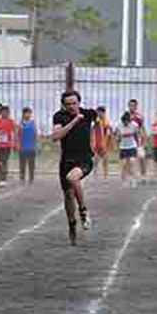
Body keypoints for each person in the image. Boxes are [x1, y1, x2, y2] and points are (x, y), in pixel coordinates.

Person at [51, 91, 98, 245]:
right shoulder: (60, 116)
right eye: (68, 104)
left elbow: (101, 124)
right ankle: (72, 224)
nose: (72, 106)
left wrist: (100, 143)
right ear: (64, 105)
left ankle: (83, 211)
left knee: (73, 178)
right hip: (66, 161)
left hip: (84, 159)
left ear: (79, 102)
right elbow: (55, 137)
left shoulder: (89, 114)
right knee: (68, 196)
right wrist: (73, 122)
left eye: (74, 103)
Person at [115, 112, 141, 186]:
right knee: (124, 165)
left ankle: (133, 180)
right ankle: (124, 180)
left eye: (127, 121)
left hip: (132, 146)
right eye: (124, 122)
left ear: (129, 121)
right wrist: (117, 145)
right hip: (123, 147)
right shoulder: (119, 126)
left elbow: (136, 135)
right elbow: (117, 137)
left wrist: (138, 145)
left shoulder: (134, 125)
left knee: (132, 162)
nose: (125, 123)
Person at [0, 105, 15, 187]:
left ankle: (3, 179)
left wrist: (12, 142)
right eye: (3, 112)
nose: (5, 113)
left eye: (7, 112)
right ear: (1, 112)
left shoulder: (11, 121)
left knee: (4, 161)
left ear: (9, 113)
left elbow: (12, 132)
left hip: (6, 145)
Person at [16, 107, 38, 185]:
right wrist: (18, 145)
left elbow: (35, 135)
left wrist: (36, 145)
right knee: (22, 164)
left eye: (29, 113)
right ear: (23, 114)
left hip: (31, 147)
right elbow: (18, 136)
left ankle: (31, 178)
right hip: (23, 147)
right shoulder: (20, 124)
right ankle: (22, 178)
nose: (27, 114)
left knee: (31, 164)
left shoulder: (33, 123)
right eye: (26, 113)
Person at [127, 99, 148, 181]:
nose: (132, 107)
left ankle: (143, 175)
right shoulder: (126, 116)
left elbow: (142, 128)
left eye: (133, 105)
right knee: (129, 159)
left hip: (138, 140)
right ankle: (130, 176)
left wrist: (144, 139)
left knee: (142, 157)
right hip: (128, 141)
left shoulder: (139, 117)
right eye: (130, 105)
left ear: (136, 107)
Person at [92, 107, 112, 180]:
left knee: (105, 160)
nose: (98, 114)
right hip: (97, 143)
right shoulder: (96, 121)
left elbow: (108, 132)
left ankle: (105, 176)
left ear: (103, 113)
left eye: (100, 112)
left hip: (104, 143)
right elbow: (93, 130)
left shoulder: (105, 121)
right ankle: (95, 175)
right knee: (95, 160)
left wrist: (105, 143)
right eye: (97, 112)